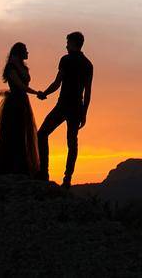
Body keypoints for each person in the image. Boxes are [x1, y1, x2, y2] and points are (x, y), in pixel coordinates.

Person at [35, 31, 93, 186]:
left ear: (73, 43)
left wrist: (44, 93)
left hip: (63, 105)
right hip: (77, 108)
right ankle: (67, 179)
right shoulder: (88, 64)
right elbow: (88, 93)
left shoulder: (66, 60)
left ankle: (43, 172)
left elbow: (57, 83)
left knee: (42, 134)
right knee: (72, 143)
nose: (66, 45)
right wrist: (84, 113)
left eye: (67, 43)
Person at [0, 42, 42, 176]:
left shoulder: (23, 67)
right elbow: (19, 85)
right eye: (25, 50)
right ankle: (7, 167)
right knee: (11, 133)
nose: (27, 53)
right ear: (19, 52)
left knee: (22, 133)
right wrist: (36, 93)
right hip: (14, 103)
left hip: (22, 102)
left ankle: (21, 167)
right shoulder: (11, 67)